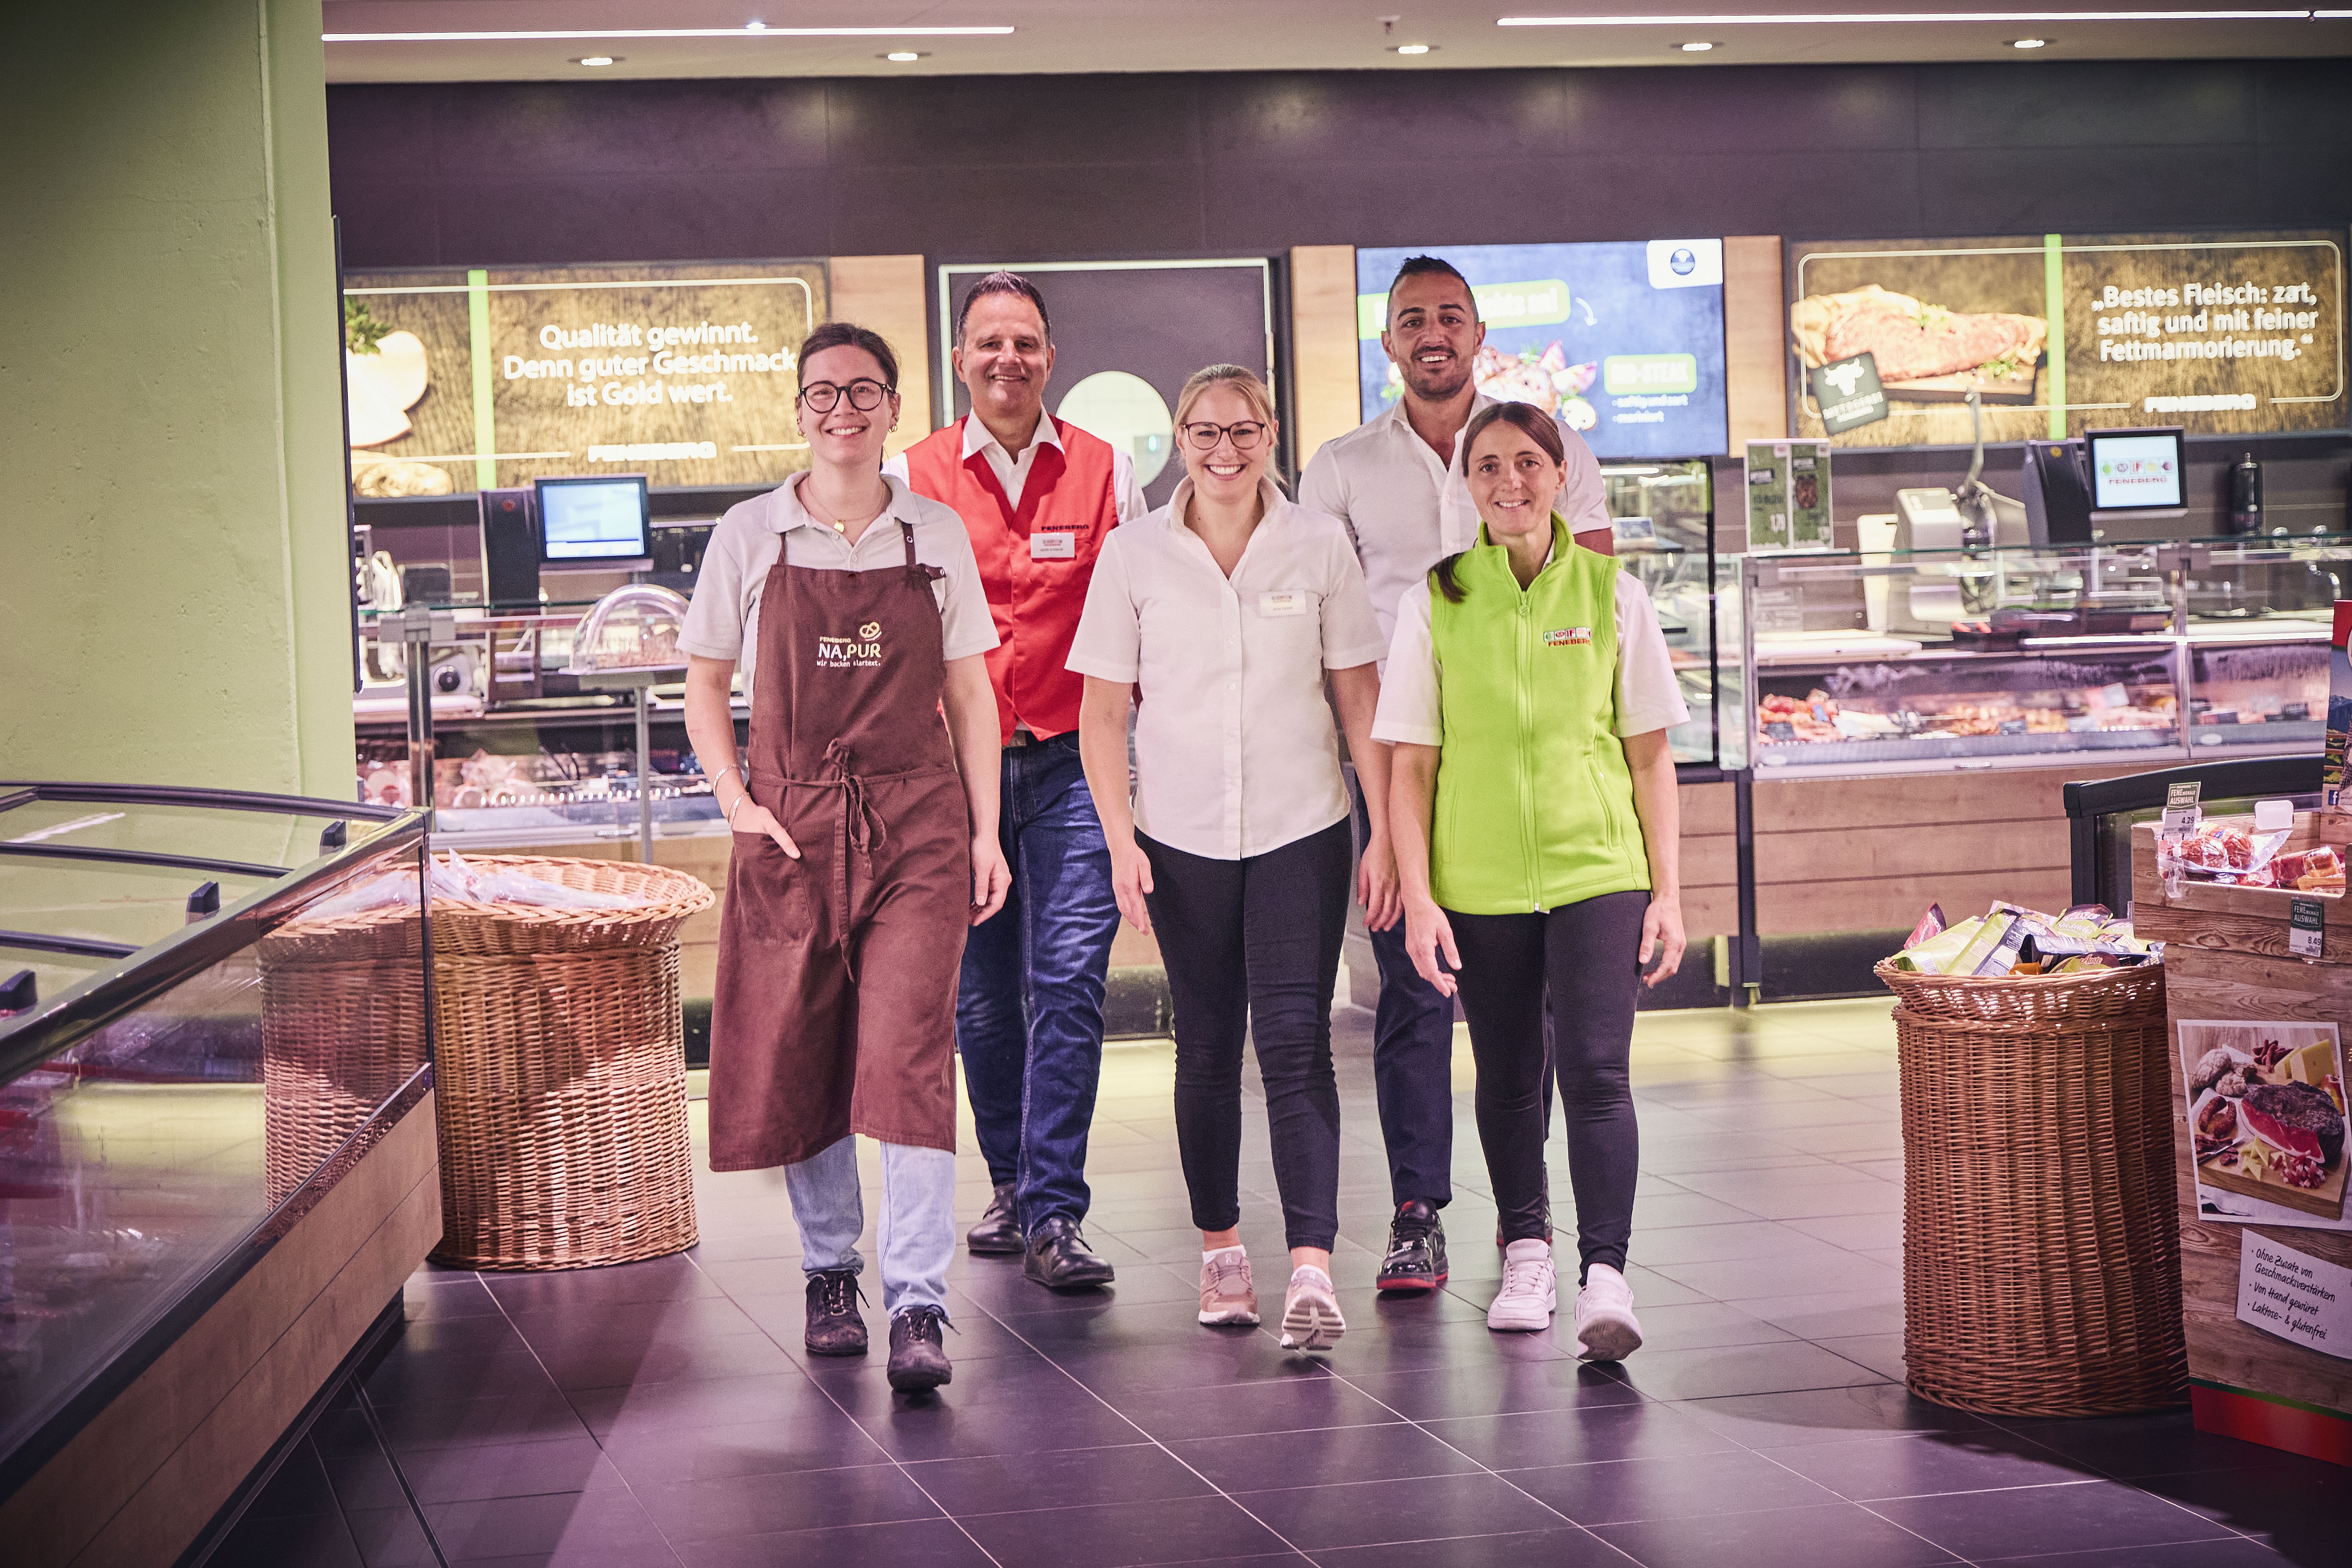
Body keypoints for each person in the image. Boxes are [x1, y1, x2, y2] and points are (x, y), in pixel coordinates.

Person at [680, 321, 1011, 1395]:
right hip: (789, 826)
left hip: (917, 819)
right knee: (805, 1048)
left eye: (863, 392)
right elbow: (703, 684)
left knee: (911, 1054)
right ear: (797, 410)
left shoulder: (934, 533)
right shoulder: (751, 534)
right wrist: (738, 804)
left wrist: (984, 828)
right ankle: (833, 1272)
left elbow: (970, 693)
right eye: (823, 394)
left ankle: (917, 1299)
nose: (842, 411)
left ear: (891, 409)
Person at [1298, 254, 1616, 1292]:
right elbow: (1339, 646)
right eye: (1410, 321)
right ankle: (1416, 1210)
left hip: (1530, 779)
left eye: (1450, 317)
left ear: (1479, 333)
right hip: (1402, 766)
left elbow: (1595, 608)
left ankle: (1528, 1219)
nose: (1432, 334)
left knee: (1537, 1015)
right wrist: (1386, 826)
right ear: (1386, 343)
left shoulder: (1549, 449)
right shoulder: (1340, 469)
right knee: (1412, 992)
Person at [1069, 364, 1392, 1352]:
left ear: (1271, 432)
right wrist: (1121, 842)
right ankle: (1220, 1250)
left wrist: (1383, 834)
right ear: (1177, 437)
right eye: (1203, 432)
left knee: (1297, 1043)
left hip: (1303, 826)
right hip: (1181, 837)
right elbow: (1101, 714)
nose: (1223, 450)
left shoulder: (1317, 543)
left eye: (1243, 430)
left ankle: (1310, 1268)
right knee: (1207, 1045)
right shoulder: (1132, 555)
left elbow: (1359, 699)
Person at [1377, 399, 1687, 1355]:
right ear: (1465, 487)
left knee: (1596, 1072)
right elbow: (1409, 766)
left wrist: (1668, 891)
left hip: (1598, 870)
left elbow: (1648, 757)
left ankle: (1605, 1276)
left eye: (1527, 464)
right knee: (1509, 1078)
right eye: (1488, 468)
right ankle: (1525, 1250)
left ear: (1559, 477)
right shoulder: (1434, 600)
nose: (1509, 482)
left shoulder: (1611, 595)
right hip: (1477, 881)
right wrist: (1420, 895)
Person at [883, 271, 1145, 1291]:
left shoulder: (1106, 472)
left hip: (1075, 761)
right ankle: (1010, 1183)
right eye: (988, 343)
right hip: (955, 775)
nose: (1008, 360)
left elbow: (1129, 624)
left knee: (1069, 981)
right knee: (981, 1000)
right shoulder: (910, 476)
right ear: (959, 360)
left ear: (1050, 356)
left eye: (1026, 343)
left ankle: (1054, 1210)